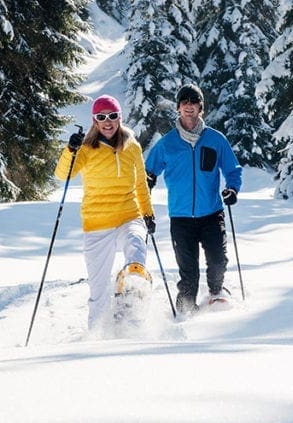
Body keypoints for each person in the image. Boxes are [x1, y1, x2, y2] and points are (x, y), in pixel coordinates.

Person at [55, 95, 156, 331]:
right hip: (97, 223)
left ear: (119, 118)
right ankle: (96, 335)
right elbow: (63, 175)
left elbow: (141, 183)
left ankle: (129, 303)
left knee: (136, 246)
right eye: (101, 117)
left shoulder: (132, 145)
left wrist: (148, 214)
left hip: (128, 215)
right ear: (94, 121)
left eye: (112, 116)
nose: (107, 122)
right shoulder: (85, 148)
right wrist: (70, 150)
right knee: (98, 289)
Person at [144, 83, 242, 314]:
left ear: (201, 108)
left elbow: (232, 169)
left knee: (218, 261)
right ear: (178, 107)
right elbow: (148, 173)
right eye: (184, 102)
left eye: (194, 102)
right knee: (188, 272)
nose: (189, 107)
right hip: (181, 217)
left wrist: (232, 189)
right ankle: (186, 309)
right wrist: (145, 188)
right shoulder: (167, 143)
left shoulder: (216, 139)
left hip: (211, 213)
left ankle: (216, 293)